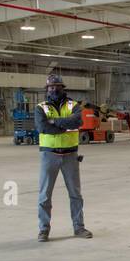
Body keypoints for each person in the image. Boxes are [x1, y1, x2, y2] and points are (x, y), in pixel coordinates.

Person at [35, 72, 92, 242]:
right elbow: (42, 127)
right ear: (47, 89)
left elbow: (77, 122)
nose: (53, 89)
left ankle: (79, 228)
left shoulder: (73, 105)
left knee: (75, 194)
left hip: (70, 156)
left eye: (56, 87)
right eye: (51, 87)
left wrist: (54, 121)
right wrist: (62, 125)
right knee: (44, 195)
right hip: (49, 155)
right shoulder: (41, 107)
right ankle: (43, 230)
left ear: (62, 88)